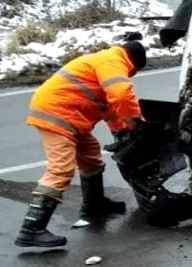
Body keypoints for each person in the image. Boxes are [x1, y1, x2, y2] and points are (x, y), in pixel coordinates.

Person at [16, 41, 148, 248]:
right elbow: (121, 95)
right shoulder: (112, 61)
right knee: (61, 170)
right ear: (134, 63)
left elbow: (108, 106)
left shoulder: (105, 62)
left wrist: (121, 130)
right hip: (57, 115)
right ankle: (31, 229)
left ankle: (94, 205)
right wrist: (135, 122)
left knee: (90, 157)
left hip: (70, 117)